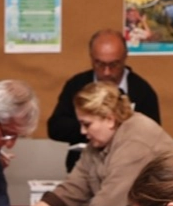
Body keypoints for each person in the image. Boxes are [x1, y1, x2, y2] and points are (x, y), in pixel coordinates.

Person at [19, 81, 173, 206]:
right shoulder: (101, 140)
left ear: (109, 119)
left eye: (87, 124)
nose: (82, 131)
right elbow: (74, 186)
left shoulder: (137, 139)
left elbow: (109, 202)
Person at [47, 28, 160, 170]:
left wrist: (114, 132)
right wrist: (92, 127)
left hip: (128, 169)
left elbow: (151, 136)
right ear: (91, 58)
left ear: (125, 57)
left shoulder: (142, 91)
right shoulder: (77, 85)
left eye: (114, 65)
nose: (107, 72)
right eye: (99, 64)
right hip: (82, 167)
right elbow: (55, 128)